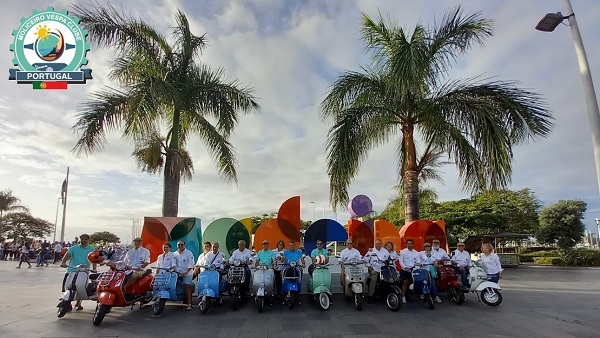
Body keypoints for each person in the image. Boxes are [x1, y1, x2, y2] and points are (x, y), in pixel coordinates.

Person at [60, 234, 97, 310]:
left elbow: (94, 260)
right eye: (82, 239)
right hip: (71, 270)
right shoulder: (73, 248)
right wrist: (63, 263)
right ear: (79, 239)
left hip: (84, 271)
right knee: (67, 286)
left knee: (81, 287)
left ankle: (78, 303)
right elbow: (67, 255)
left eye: (85, 239)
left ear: (88, 240)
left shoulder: (91, 249)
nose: (83, 240)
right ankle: (67, 302)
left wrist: (94, 268)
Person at [174, 241, 195, 310]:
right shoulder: (174, 254)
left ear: (184, 245)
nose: (180, 246)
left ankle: (189, 304)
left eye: (181, 244)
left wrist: (185, 273)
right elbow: (173, 264)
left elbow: (191, 265)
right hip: (177, 273)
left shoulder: (189, 253)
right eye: (178, 244)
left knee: (187, 285)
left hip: (187, 273)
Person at [399, 239, 419, 304]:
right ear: (406, 244)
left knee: (414, 282)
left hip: (413, 270)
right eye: (408, 244)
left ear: (413, 244)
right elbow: (401, 261)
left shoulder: (416, 253)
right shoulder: (402, 252)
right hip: (405, 269)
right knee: (405, 282)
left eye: (411, 243)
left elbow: (418, 262)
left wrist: (416, 267)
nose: (409, 245)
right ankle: (403, 296)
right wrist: (405, 267)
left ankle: (409, 294)